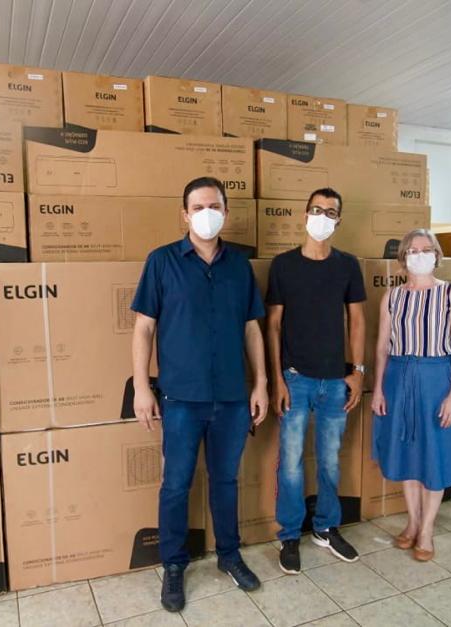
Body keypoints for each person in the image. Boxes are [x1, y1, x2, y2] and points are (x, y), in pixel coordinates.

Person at [131, 176, 270, 612]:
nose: (207, 213)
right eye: (198, 207)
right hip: (180, 398)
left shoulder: (239, 267)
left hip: (231, 397)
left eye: (214, 206)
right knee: (176, 484)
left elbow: (252, 328)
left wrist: (261, 382)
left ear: (225, 212)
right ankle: (174, 565)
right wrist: (141, 386)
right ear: (185, 214)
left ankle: (229, 555)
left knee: (225, 481)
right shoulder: (162, 262)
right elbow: (144, 328)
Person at [266, 187, 366, 575]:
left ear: (339, 219)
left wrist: (358, 372)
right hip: (295, 378)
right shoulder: (283, 265)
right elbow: (273, 325)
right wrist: (277, 379)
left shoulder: (347, 265)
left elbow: (357, 320)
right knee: (290, 462)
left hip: (335, 380)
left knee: (329, 460)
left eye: (330, 211)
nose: (322, 216)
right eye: (316, 209)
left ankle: (325, 527)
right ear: (304, 214)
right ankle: (290, 534)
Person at [370, 229, 451, 561]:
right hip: (398, 379)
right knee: (407, 453)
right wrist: (378, 389)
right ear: (403, 258)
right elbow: (382, 346)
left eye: (426, 249)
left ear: (436, 255)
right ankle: (413, 522)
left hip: (437, 380)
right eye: (412, 250)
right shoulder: (392, 297)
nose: (419, 254)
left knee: (434, 455)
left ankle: (427, 529)